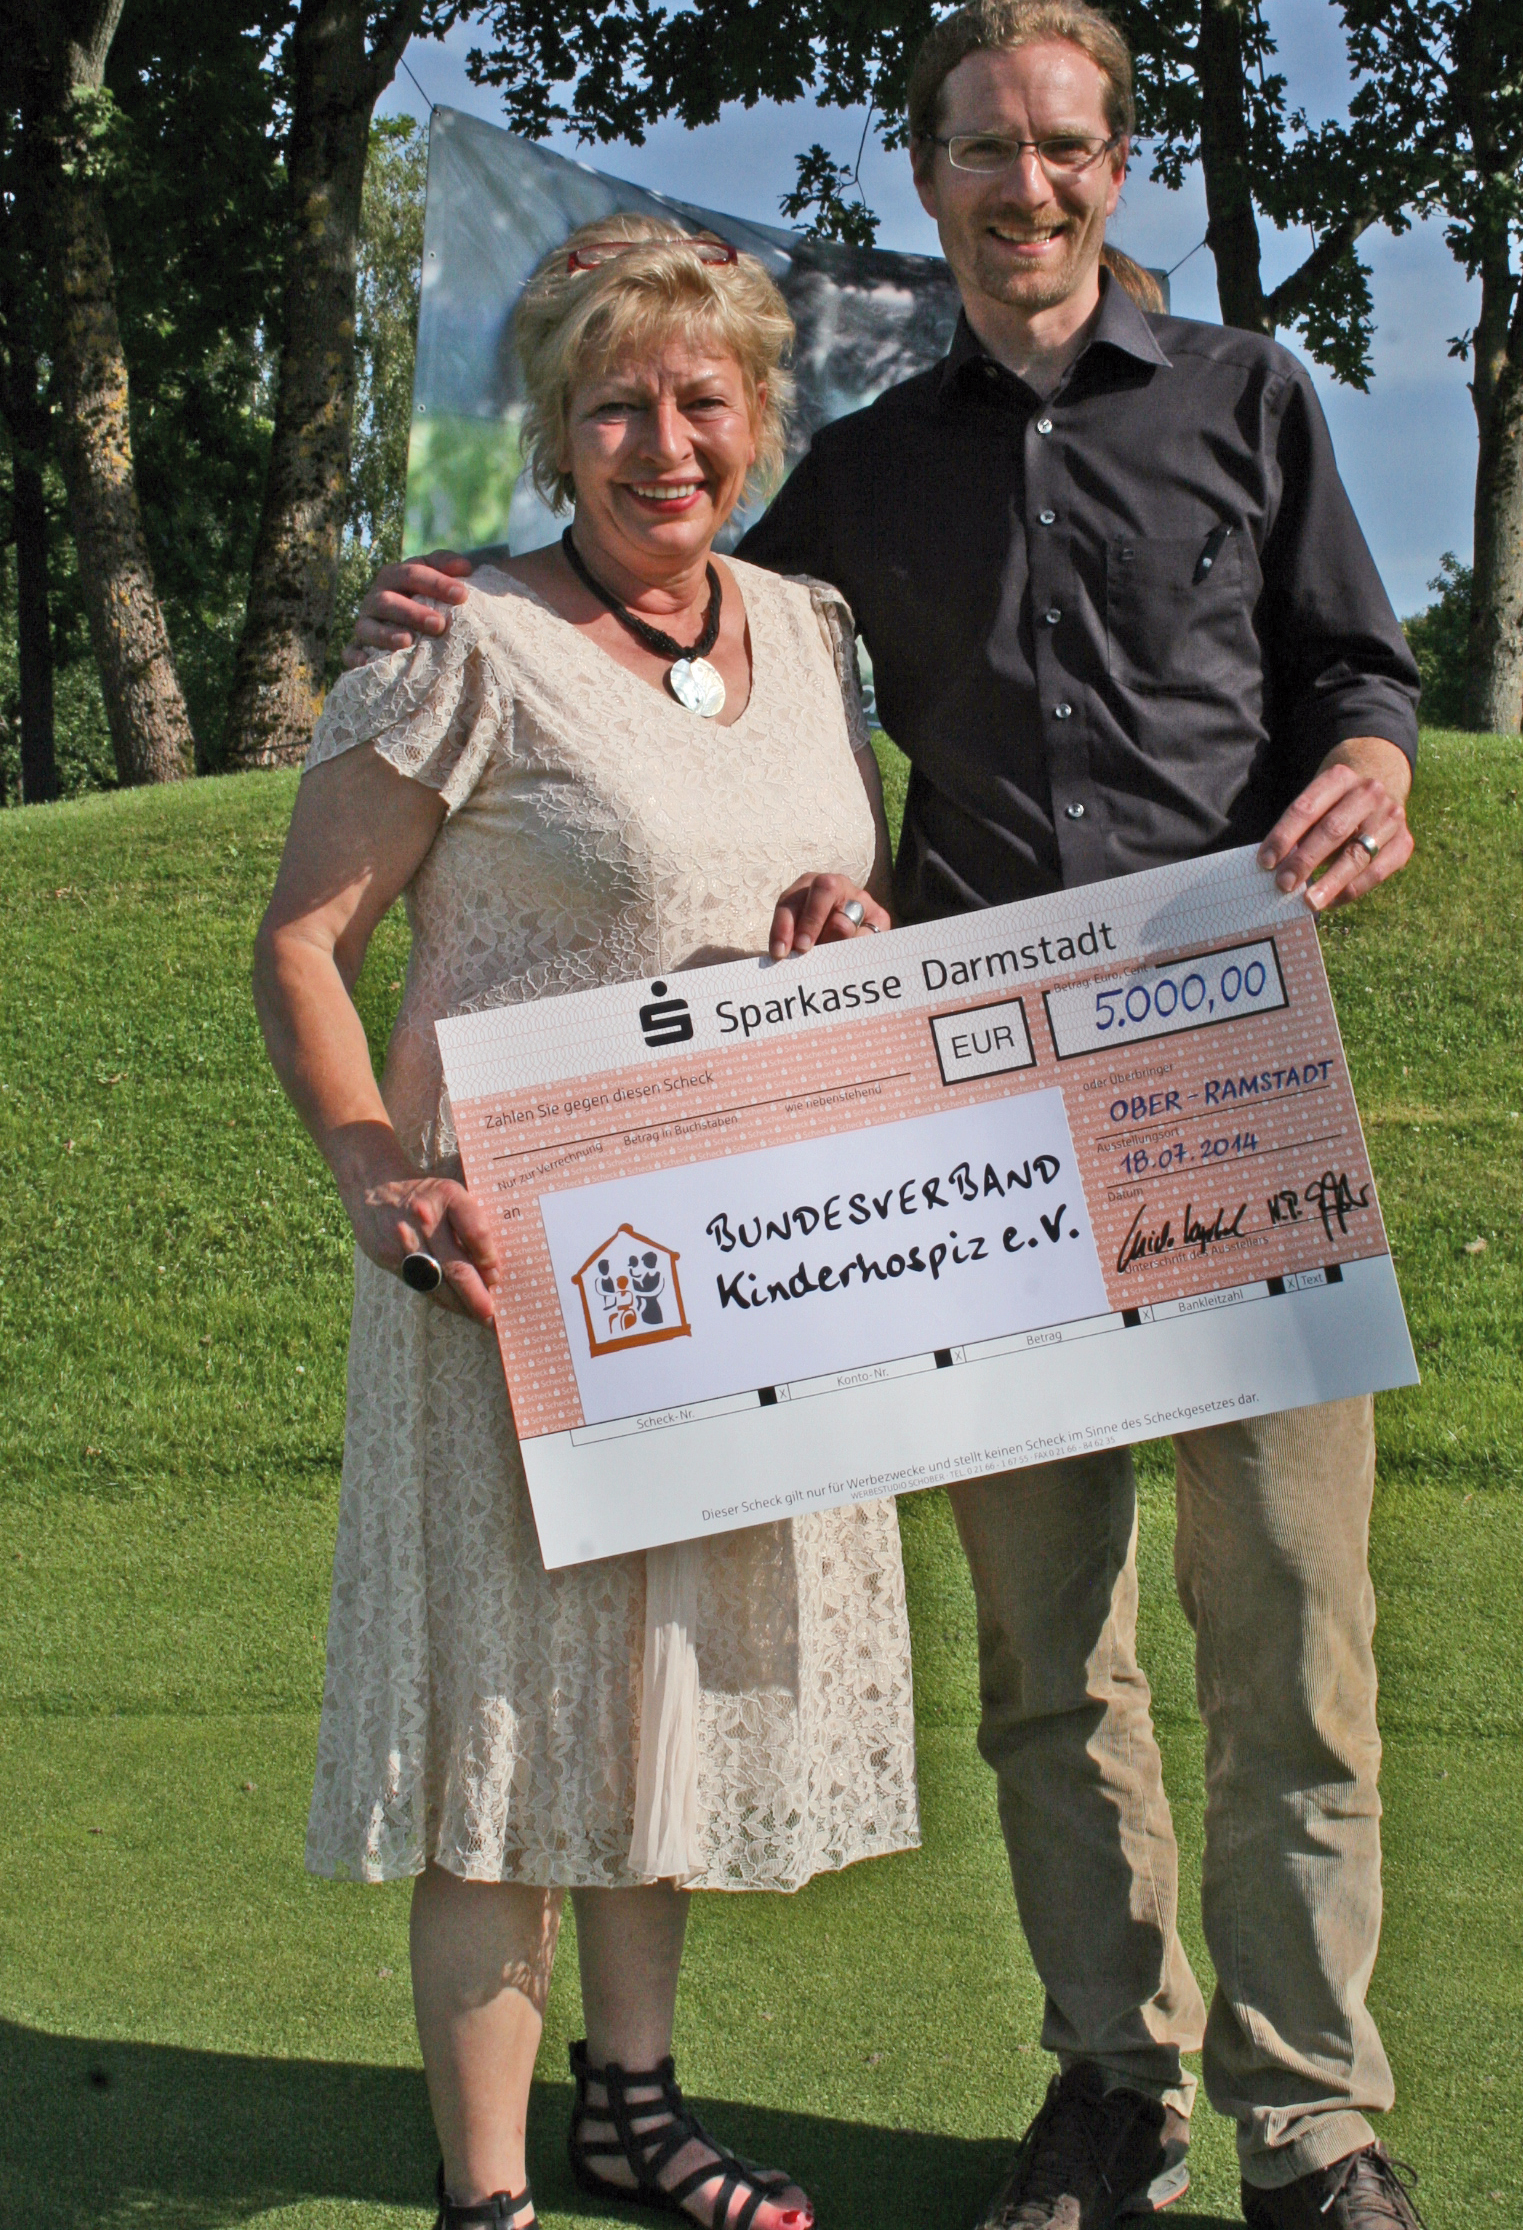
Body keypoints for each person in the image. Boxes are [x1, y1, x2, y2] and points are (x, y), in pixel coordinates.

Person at [353, 0, 1427, 2230]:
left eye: (1064, 145)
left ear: (1112, 165)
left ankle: (1314, 2124)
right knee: (1049, 1657)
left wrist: (1370, 755)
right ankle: (1111, 2084)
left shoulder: (1246, 395)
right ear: (926, 175)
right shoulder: (857, 468)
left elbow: (1353, 666)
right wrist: (462, 586)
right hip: (970, 1118)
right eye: (983, 147)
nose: (1027, 185)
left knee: (1292, 1637)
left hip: (1217, 1072)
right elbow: (667, 563)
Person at [255, 214, 920, 2230]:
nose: (663, 442)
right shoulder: (458, 638)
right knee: (508, 1716)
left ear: (760, 418)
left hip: (740, 1255)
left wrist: (848, 921)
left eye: (701, 400)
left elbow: (831, 883)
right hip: (508, 1266)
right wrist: (376, 1171)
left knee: (658, 1693)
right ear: (554, 432)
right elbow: (303, 944)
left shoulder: (811, 632)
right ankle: (489, 2194)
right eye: (614, 406)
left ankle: (632, 2109)